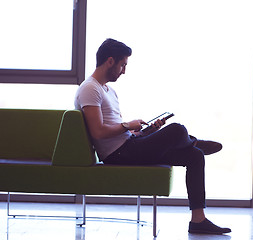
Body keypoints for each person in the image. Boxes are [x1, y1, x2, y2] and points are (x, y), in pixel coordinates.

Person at [74, 38, 231, 235]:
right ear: (110, 61)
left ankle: (198, 220)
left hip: (129, 144)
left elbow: (117, 130)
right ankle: (191, 141)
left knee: (195, 156)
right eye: (123, 65)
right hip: (119, 154)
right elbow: (98, 131)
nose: (124, 71)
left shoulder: (108, 90)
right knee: (177, 130)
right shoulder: (90, 88)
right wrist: (127, 125)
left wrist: (140, 131)